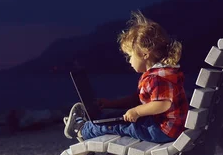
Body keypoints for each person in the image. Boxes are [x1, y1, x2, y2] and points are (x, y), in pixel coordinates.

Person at [63, 10, 188, 143]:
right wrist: (110, 104)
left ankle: (82, 130)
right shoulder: (164, 72)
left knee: (118, 125)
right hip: (169, 128)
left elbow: (163, 104)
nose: (129, 60)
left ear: (145, 54)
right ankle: (94, 121)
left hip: (160, 130)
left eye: (130, 55)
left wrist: (137, 112)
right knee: (119, 117)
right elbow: (136, 100)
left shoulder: (156, 78)